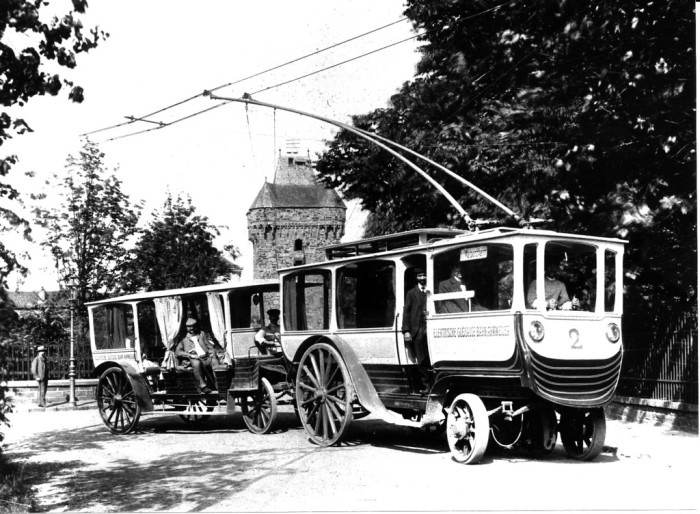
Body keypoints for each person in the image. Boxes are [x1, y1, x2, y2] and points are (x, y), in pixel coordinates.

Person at [401, 268, 431, 394]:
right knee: (422, 359)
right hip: (417, 331)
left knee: (430, 358)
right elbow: (406, 312)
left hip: (429, 329)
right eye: (420, 276)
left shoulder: (430, 291)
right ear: (416, 278)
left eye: (424, 275)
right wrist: (406, 331)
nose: (422, 278)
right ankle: (427, 386)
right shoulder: (411, 293)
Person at [175, 318, 221, 394]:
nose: (192, 328)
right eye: (189, 326)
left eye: (193, 326)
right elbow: (178, 352)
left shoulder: (201, 334)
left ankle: (217, 384)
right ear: (186, 327)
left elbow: (209, 346)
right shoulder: (183, 337)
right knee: (196, 363)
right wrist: (190, 355)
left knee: (215, 361)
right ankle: (203, 386)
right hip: (193, 359)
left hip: (206, 357)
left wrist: (212, 353)